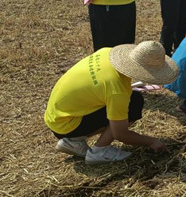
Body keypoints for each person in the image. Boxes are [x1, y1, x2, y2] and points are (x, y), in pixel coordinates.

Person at [45, 41, 178, 163]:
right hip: (67, 125)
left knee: (128, 98)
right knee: (134, 103)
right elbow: (120, 134)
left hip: (55, 117)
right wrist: (151, 142)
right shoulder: (117, 89)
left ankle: (74, 142)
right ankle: (100, 151)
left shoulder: (107, 52)